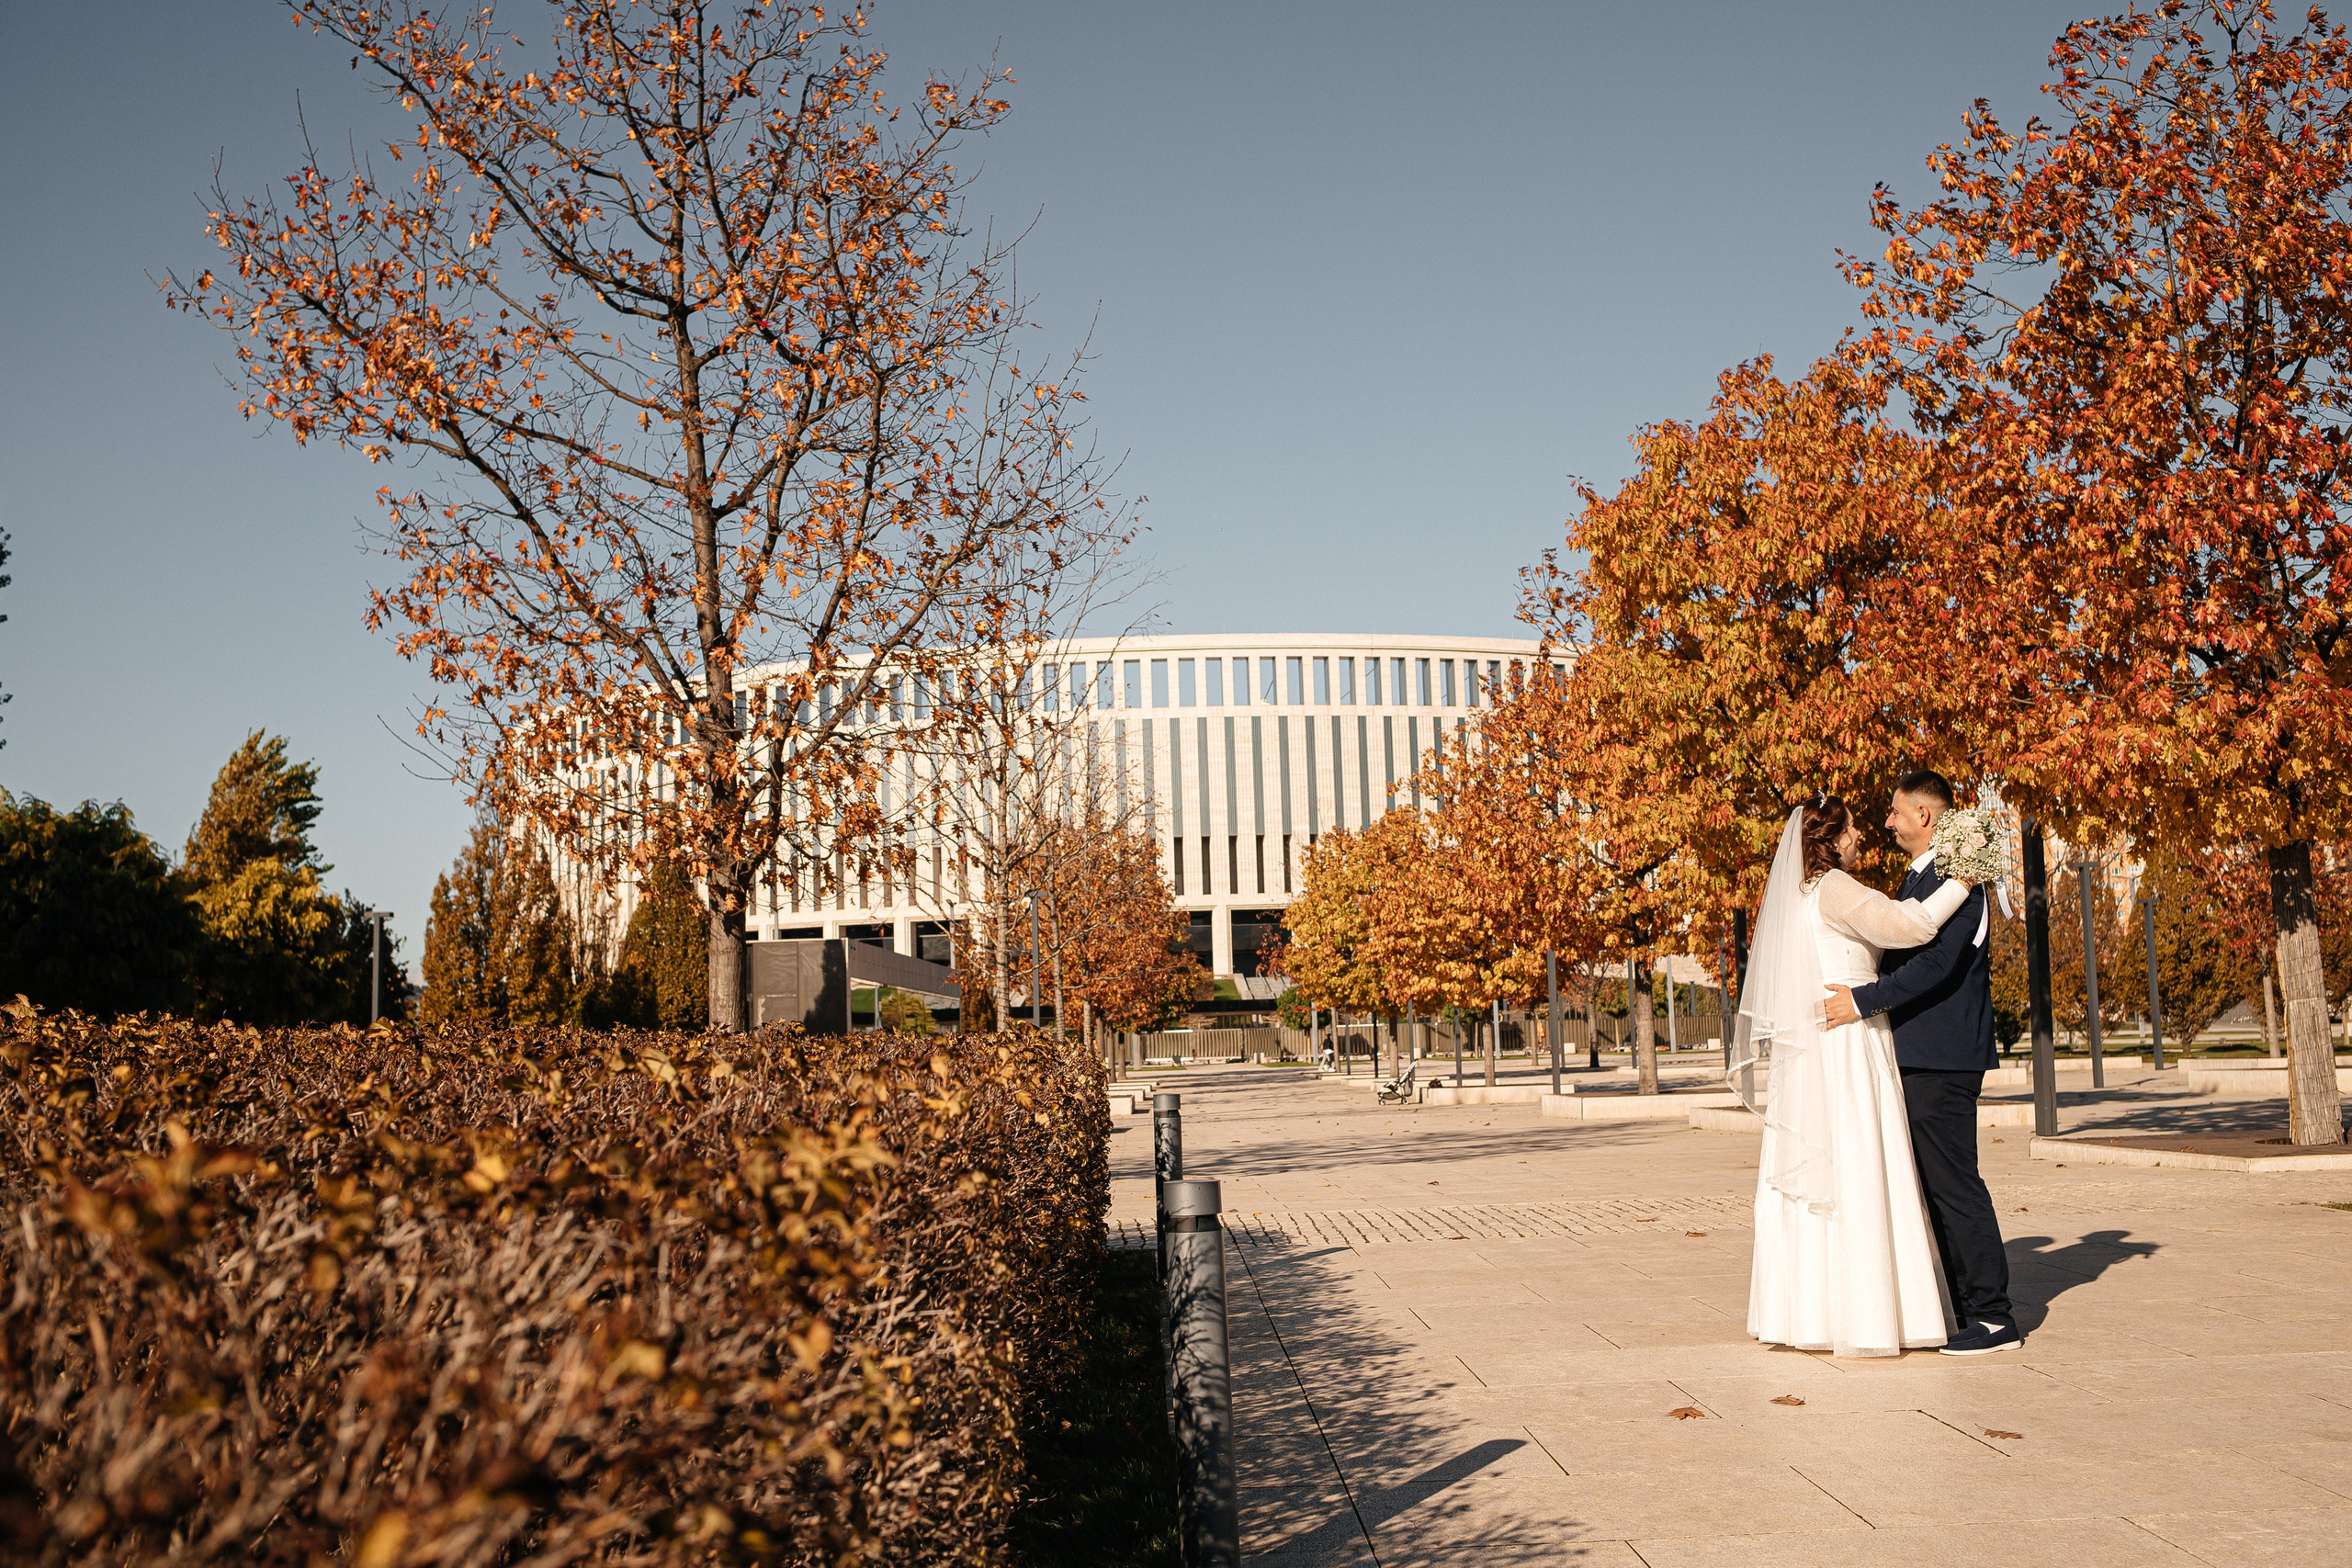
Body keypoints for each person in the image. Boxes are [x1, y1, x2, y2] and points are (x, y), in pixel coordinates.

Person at [1732, 795, 1973, 1357]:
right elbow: (1909, 926)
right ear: (1834, 837)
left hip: (1815, 1045)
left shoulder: (1798, 893)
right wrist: (1964, 878)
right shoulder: (1834, 887)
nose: (1864, 833)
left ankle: (1808, 1313)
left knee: (1823, 1168)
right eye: (1855, 826)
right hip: (1848, 1040)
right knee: (1861, 1160)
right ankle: (1867, 1315)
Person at [1823, 770, 2018, 1356]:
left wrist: (1861, 1000)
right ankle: (1970, 1312)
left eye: (1895, 811)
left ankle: (1994, 1316)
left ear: (1925, 817)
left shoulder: (1961, 881)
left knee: (1955, 1185)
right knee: (1935, 1188)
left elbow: (1934, 967)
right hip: (1919, 1053)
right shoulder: (1925, 878)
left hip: (1943, 1056)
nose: (1886, 821)